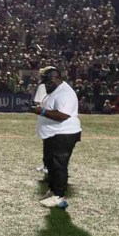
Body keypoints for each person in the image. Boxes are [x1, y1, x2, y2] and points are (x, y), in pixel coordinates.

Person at [32, 66, 81, 209]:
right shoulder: (55, 89)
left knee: (59, 165)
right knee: (50, 163)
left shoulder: (65, 93)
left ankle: (59, 196)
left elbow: (62, 115)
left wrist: (40, 112)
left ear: (56, 79)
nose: (45, 85)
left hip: (63, 134)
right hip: (53, 133)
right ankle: (53, 190)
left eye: (47, 81)